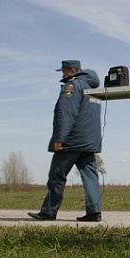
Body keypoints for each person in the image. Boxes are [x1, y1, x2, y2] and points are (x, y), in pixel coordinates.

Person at [28, 60, 103, 222]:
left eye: (64, 71)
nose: (63, 74)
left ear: (73, 70)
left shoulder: (72, 86)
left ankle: (49, 211)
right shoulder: (92, 88)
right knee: (90, 177)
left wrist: (60, 138)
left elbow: (66, 113)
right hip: (89, 142)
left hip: (72, 141)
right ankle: (94, 212)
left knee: (57, 176)